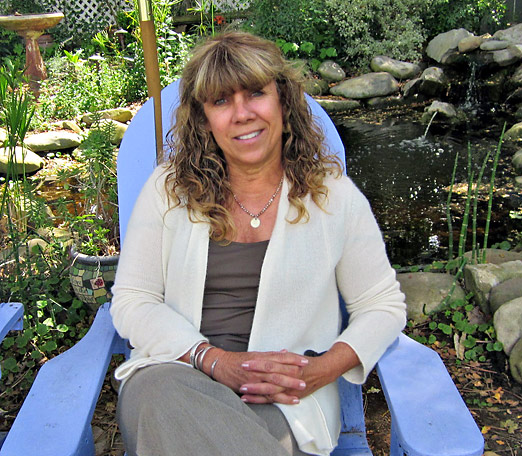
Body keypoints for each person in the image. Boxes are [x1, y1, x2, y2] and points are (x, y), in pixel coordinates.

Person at [110, 31, 406, 456]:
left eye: (254, 94)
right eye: (220, 101)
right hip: (177, 374)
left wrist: (320, 370)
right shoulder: (168, 191)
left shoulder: (332, 197)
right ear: (203, 118)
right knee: (158, 394)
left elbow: (382, 304)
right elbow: (133, 300)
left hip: (282, 401)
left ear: (282, 100)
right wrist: (213, 360)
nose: (242, 113)